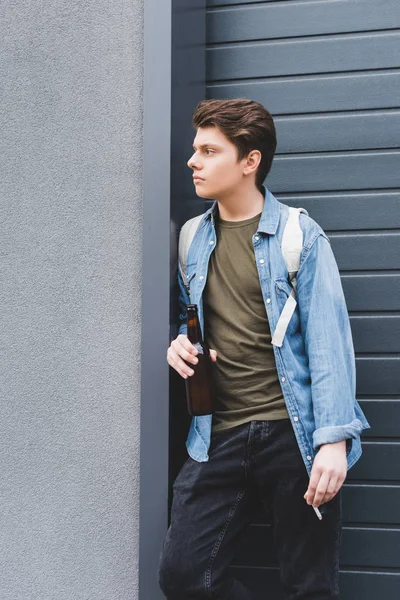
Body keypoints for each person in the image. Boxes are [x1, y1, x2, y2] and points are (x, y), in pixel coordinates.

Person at [158, 98, 371, 600]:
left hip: (292, 436)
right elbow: (198, 326)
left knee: (310, 587)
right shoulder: (192, 239)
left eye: (209, 151)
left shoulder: (300, 236)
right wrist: (183, 347)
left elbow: (329, 344)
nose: (193, 161)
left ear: (249, 161)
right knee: (183, 576)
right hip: (218, 435)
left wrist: (334, 441)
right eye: (196, 149)